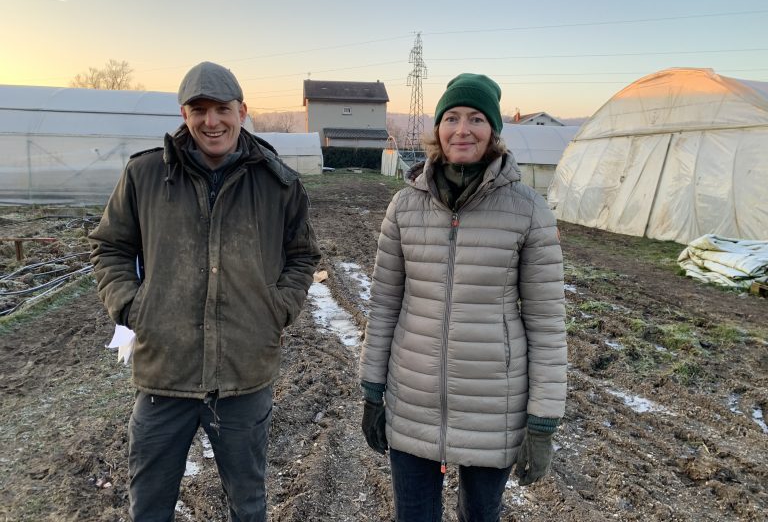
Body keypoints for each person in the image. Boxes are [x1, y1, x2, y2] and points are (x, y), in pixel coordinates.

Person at [89, 61, 321, 522]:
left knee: (248, 503)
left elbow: (303, 256)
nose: (211, 121)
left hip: (244, 374)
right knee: (150, 504)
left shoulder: (278, 182)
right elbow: (110, 246)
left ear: (242, 111)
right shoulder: (145, 176)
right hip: (164, 374)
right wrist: (132, 306)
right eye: (199, 109)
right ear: (183, 113)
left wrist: (278, 308)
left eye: (222, 109)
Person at [359, 73, 567, 521]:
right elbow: (383, 307)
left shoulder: (527, 209)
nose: (462, 129)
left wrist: (543, 420)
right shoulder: (405, 207)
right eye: (451, 117)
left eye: (476, 118)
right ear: (437, 128)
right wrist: (373, 389)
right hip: (413, 398)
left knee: (480, 515)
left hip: (494, 406)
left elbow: (547, 323)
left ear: (494, 131)